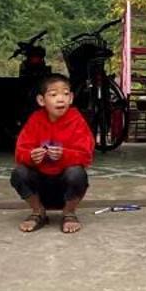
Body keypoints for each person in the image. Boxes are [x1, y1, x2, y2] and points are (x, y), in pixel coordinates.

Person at [12, 74, 94, 233]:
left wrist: (64, 155)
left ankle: (69, 213)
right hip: (40, 186)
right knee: (19, 172)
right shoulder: (35, 120)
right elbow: (19, 152)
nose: (60, 99)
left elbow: (86, 155)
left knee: (77, 173)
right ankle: (38, 212)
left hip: (65, 187)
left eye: (65, 93)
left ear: (71, 98)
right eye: (54, 94)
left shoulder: (77, 121)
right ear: (41, 101)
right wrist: (31, 156)